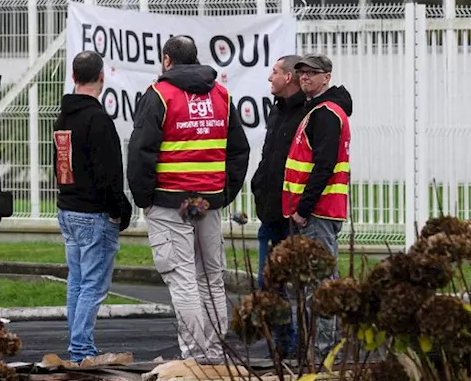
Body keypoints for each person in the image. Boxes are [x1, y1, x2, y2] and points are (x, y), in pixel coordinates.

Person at [127, 35, 251, 362]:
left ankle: (194, 355)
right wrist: (223, 193)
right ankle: (214, 352)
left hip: (169, 202)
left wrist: (144, 198)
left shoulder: (159, 95)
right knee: (210, 277)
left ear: (167, 60)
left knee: (182, 279)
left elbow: (141, 151)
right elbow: (239, 150)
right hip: (208, 203)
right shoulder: (221, 95)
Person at [53, 50, 132, 363]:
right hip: (93, 214)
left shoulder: (64, 118)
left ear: (74, 77)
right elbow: (109, 173)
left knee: (76, 282)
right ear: (102, 77)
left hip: (68, 208)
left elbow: (61, 165)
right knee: (93, 286)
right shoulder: (98, 119)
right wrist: (119, 210)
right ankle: (82, 349)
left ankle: (77, 347)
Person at [281, 54, 353, 361]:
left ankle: (326, 356)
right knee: (313, 285)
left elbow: (324, 165)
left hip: (317, 214)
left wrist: (303, 208)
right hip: (314, 213)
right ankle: (319, 352)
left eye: (313, 73)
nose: (306, 77)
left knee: (321, 286)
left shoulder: (325, 113)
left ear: (327, 76)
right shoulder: (317, 110)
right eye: (302, 73)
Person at [250, 54, 311, 355]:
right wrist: (259, 184)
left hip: (296, 215)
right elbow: (269, 155)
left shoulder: (308, 112)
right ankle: (285, 343)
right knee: (268, 281)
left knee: (303, 284)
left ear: (288, 77)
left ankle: (305, 345)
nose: (269, 77)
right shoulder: (277, 111)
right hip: (271, 212)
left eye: (274, 72)